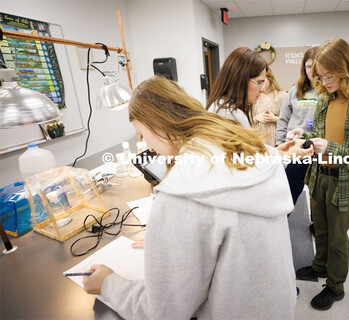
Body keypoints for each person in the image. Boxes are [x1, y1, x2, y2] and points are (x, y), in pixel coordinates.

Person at [82, 76, 300, 319]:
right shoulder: (247, 148)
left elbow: (163, 310)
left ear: (155, 123)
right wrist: (169, 238)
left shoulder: (182, 191)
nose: (148, 146)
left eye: (141, 134)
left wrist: (108, 284)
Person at [290, 39, 349, 311]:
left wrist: (331, 148)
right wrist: (303, 136)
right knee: (320, 228)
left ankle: (335, 286)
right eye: (320, 76)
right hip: (319, 177)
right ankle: (319, 266)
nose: (324, 81)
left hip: (346, 183)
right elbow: (321, 135)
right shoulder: (325, 99)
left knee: (337, 239)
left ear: (346, 69)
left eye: (329, 76)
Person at [276, 47, 319, 205]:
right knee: (288, 193)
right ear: (303, 68)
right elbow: (283, 120)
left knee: (317, 196)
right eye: (308, 67)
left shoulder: (330, 91)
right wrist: (280, 146)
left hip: (320, 150)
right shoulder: (295, 91)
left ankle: (315, 225)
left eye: (316, 66)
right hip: (295, 149)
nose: (312, 71)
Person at [206, 47, 266, 128]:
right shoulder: (234, 115)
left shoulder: (219, 106)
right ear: (241, 80)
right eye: (259, 82)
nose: (262, 90)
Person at [252, 68, 286, 146]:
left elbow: (290, 121)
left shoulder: (282, 96)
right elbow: (246, 121)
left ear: (270, 78)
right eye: (258, 82)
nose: (261, 85)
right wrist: (257, 118)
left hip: (276, 141)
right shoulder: (254, 96)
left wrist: (275, 119)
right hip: (257, 141)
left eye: (263, 81)